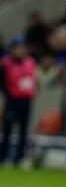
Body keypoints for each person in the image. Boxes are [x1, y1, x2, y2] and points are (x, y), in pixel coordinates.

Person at [0, 36, 37, 165]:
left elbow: (33, 79)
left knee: (23, 130)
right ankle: (3, 157)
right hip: (12, 99)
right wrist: (8, 95)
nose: (20, 51)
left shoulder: (30, 62)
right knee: (8, 129)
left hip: (26, 100)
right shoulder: (6, 63)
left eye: (22, 48)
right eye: (18, 48)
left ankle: (19, 157)